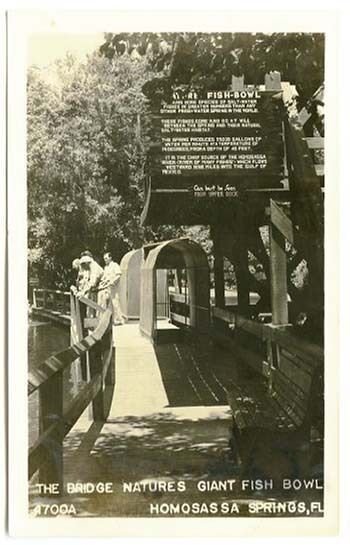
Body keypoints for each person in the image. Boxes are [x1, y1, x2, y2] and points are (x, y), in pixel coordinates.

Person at [99, 252, 124, 325]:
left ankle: (119, 319)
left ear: (110, 258)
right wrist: (103, 282)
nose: (105, 260)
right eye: (104, 259)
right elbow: (104, 277)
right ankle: (111, 320)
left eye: (106, 258)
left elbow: (118, 275)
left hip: (114, 287)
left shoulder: (115, 265)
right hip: (107, 287)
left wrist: (112, 282)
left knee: (115, 303)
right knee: (108, 304)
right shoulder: (106, 267)